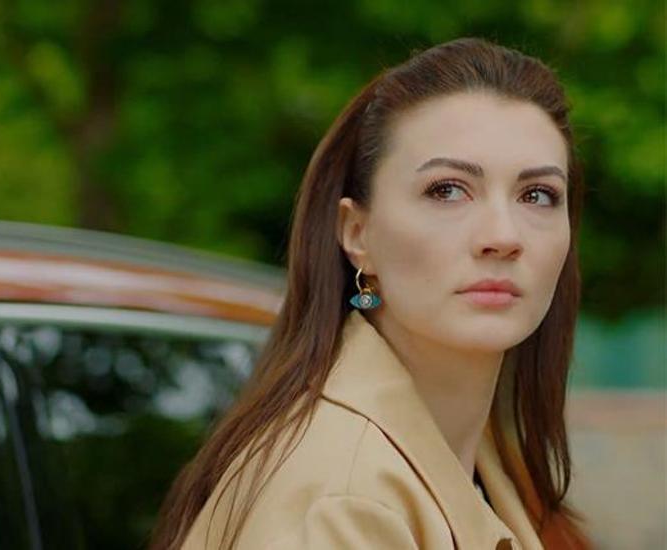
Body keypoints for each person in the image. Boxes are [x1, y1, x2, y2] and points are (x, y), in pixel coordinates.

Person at [148, 36, 592, 550]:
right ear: (358, 234)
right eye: (447, 190)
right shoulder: (342, 497)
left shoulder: (478, 467)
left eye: (537, 195)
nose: (503, 235)